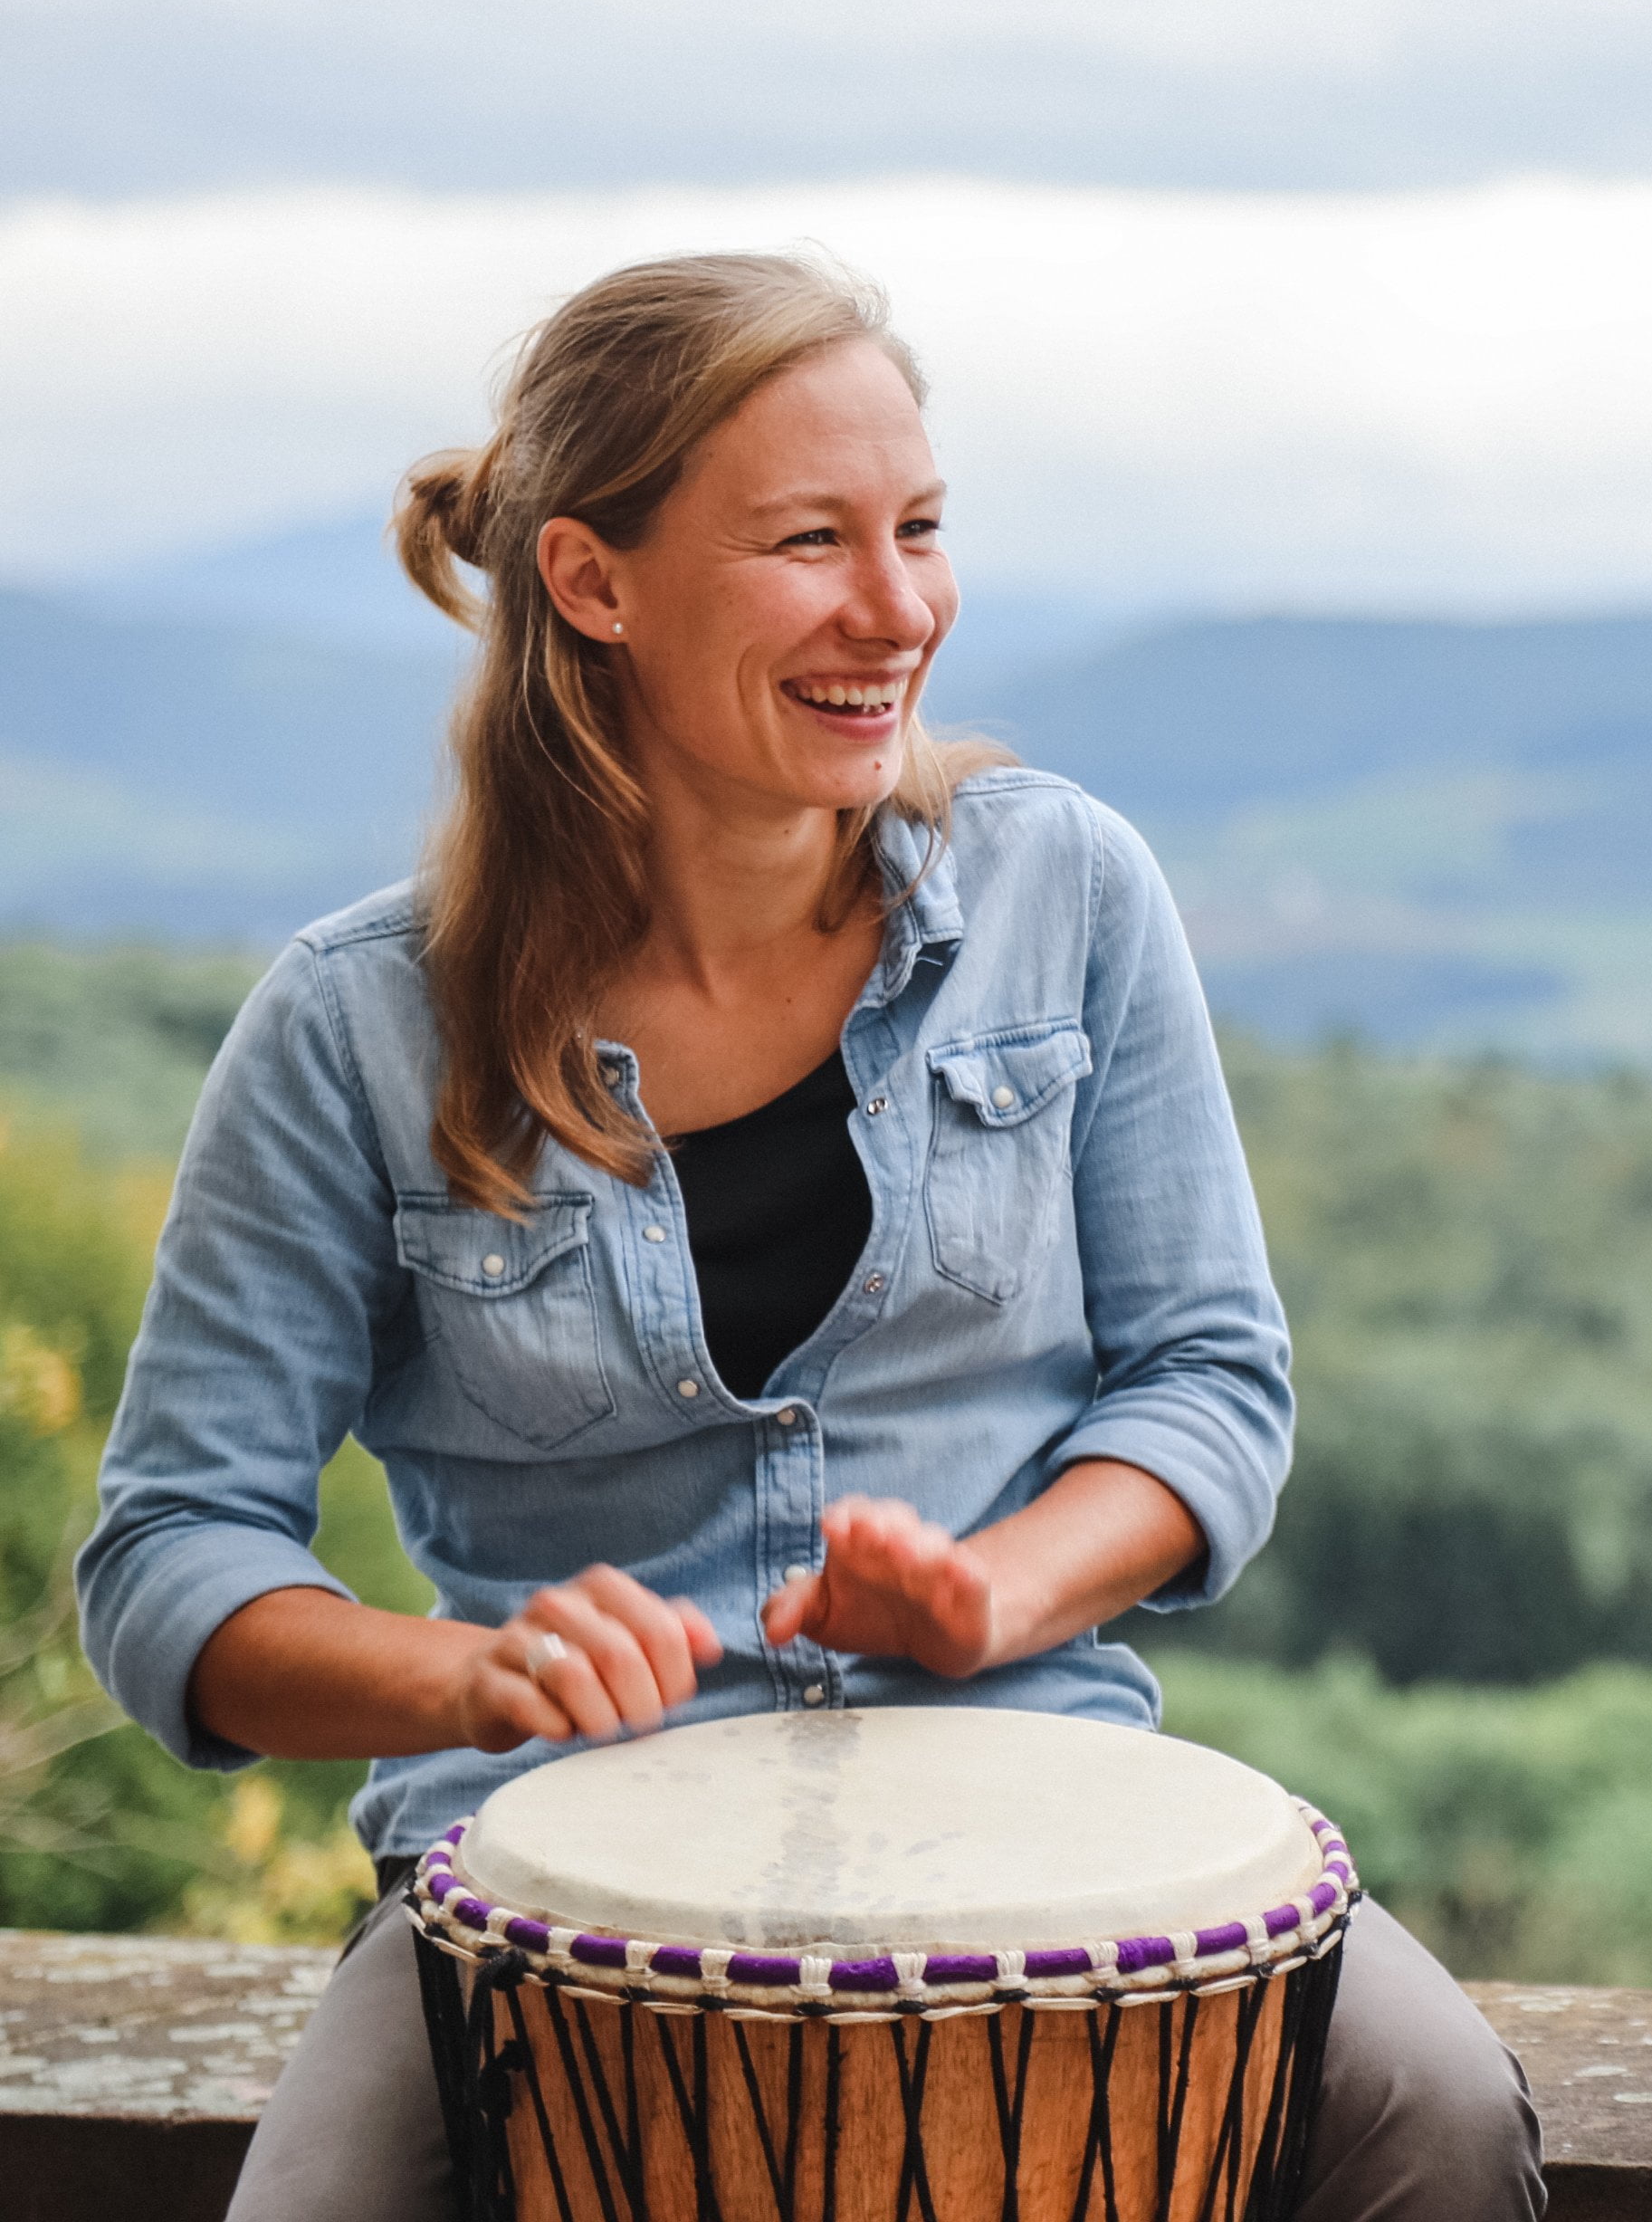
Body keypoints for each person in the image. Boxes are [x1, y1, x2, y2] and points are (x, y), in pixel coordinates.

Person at [74, 254, 1543, 2222]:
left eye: (920, 531)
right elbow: (173, 1557)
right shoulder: (352, 1028)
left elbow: (1210, 1384)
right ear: (595, 583)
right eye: (810, 543)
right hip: (528, 1896)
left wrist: (997, 1596)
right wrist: (469, 1676)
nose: (899, 609)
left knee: (1439, 2111)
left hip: (1052, 1822)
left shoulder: (1069, 889)